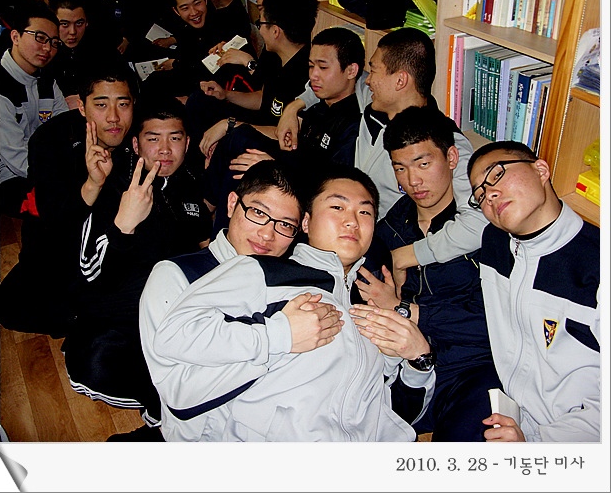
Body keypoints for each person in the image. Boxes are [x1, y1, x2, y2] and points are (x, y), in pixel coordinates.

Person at [148, 163, 435, 441]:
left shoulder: (368, 306)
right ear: (307, 223)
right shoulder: (263, 273)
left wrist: (419, 361)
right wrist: (282, 336)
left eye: (365, 212)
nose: (352, 220)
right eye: (337, 207)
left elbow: (390, 415)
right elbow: (175, 346)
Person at [141, 160, 343, 440]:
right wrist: (280, 340)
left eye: (285, 225)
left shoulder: (293, 286)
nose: (267, 234)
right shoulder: (175, 275)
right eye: (258, 212)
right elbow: (179, 396)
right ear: (232, 203)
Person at [277, 27, 488, 288]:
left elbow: (479, 222)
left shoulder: (445, 143)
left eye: (374, 71)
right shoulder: (373, 101)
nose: (368, 80)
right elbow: (336, 80)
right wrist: (294, 108)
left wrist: (409, 255)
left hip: (380, 242)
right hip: (339, 219)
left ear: (400, 81)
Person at [61, 96, 213, 440]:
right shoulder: (114, 187)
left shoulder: (188, 185)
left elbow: (203, 245)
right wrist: (123, 225)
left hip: (172, 316)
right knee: (95, 363)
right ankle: (163, 412)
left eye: (175, 138)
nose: (165, 149)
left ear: (187, 142)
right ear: (135, 144)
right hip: (119, 320)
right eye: (153, 138)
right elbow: (90, 273)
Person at [350, 106, 501, 441]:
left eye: (423, 164)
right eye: (400, 168)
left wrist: (405, 310)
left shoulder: (487, 231)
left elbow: (494, 324)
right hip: (405, 369)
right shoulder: (389, 230)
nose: (412, 181)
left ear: (451, 158)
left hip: (473, 369)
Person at [467, 141, 600, 442]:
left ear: (541, 170)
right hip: (510, 409)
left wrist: (538, 443)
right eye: (480, 195)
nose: (490, 194)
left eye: (497, 174)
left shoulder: (596, 264)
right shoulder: (495, 243)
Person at [0, 64, 138, 337]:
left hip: (118, 249)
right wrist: (92, 184)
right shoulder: (50, 139)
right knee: (11, 307)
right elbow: (55, 221)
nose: (113, 117)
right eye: (101, 105)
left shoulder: (139, 136)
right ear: (82, 107)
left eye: (123, 104)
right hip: (60, 250)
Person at [203, 25, 365, 235]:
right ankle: (203, 214)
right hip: (293, 163)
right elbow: (289, 140)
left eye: (323, 68)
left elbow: (331, 185)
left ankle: (217, 232)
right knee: (240, 138)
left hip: (305, 190)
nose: (314, 76)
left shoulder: (354, 124)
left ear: (351, 71)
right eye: (311, 66)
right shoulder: (317, 104)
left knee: (244, 164)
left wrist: (275, 168)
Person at [196, 0, 318, 156]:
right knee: (201, 100)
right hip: (259, 125)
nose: (259, 29)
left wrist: (231, 125)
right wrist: (225, 94)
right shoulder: (276, 57)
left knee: (234, 138)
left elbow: (287, 134)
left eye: (260, 23)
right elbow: (264, 99)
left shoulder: (309, 73)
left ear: (275, 31)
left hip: (279, 146)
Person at [0, 3, 68, 217]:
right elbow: (17, 159)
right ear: (15, 37)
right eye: (40, 38)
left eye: (54, 42)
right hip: (6, 178)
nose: (47, 48)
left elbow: (65, 131)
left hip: (44, 169)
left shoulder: (47, 82)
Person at [142, 0, 257, 100]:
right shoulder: (188, 27)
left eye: (197, 3)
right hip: (192, 77)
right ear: (176, 11)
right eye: (185, 8)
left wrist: (176, 64)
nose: (194, 12)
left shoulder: (226, 21)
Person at [46, 0, 123, 109]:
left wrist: (86, 98)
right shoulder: (43, 51)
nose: (73, 31)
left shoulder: (104, 49)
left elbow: (124, 85)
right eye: (64, 24)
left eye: (79, 23)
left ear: (86, 22)